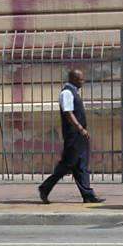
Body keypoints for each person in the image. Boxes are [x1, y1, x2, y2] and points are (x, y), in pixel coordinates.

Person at [38, 69, 105, 204]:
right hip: (73, 136)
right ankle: (45, 187)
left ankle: (87, 194)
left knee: (81, 165)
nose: (83, 82)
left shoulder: (74, 93)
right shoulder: (67, 93)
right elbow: (68, 113)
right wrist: (80, 128)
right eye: (81, 79)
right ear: (73, 79)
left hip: (79, 136)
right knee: (68, 164)